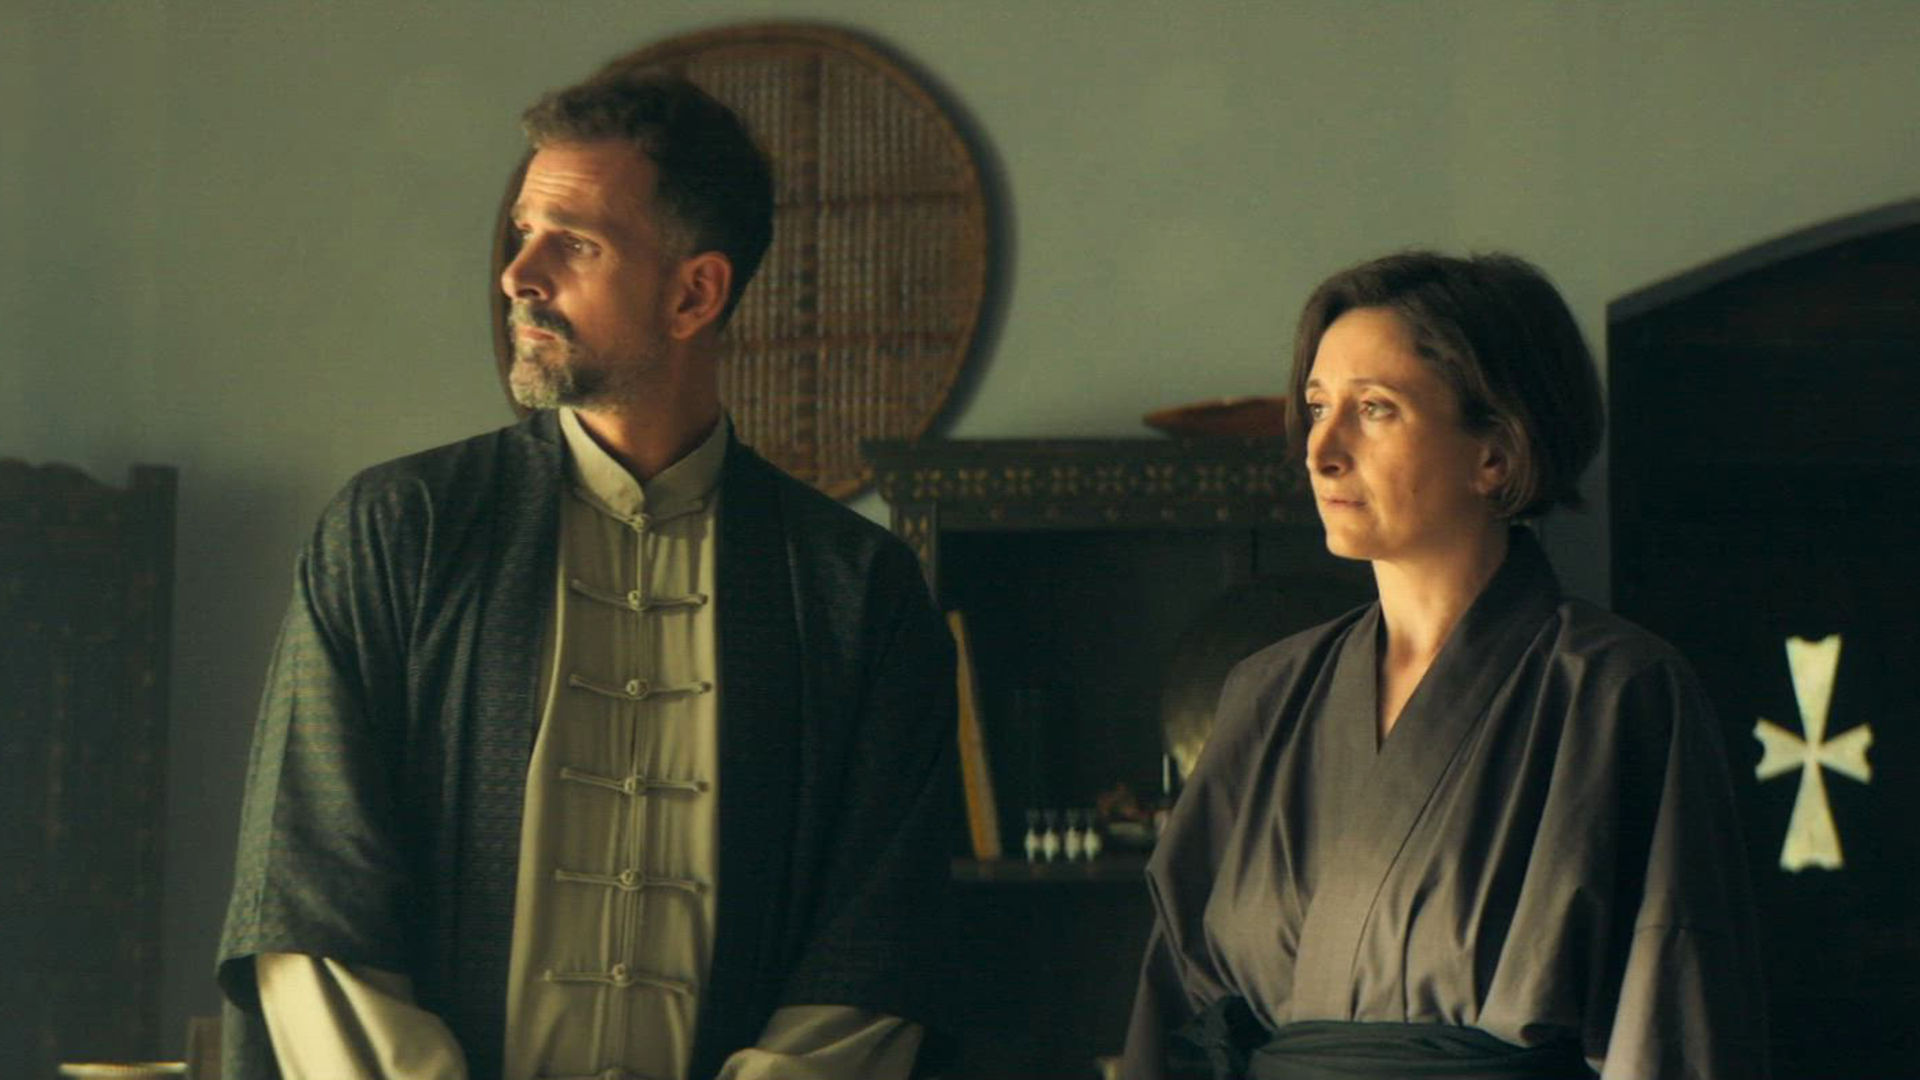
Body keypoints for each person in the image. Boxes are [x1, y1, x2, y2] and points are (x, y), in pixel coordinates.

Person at [216, 71, 956, 1080]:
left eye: (573, 243)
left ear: (694, 293)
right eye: (523, 233)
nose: (517, 275)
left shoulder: (857, 589)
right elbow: (311, 892)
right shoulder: (397, 532)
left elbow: (878, 940)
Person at [1121, 252, 1768, 1080]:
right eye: (1317, 408)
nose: (1321, 450)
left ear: (1494, 452)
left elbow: (1673, 1018)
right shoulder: (1267, 693)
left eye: (1374, 409)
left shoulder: (1615, 693)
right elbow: (1175, 1013)